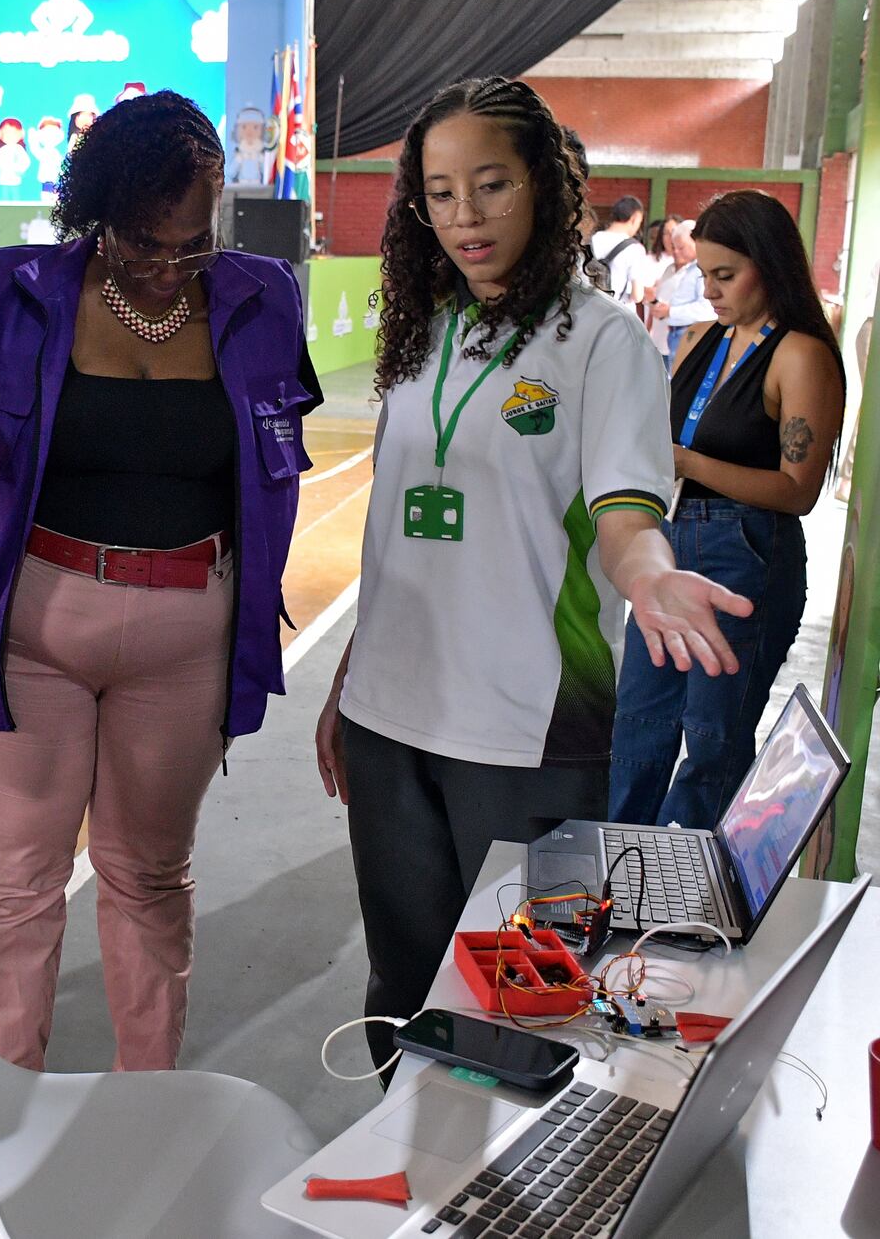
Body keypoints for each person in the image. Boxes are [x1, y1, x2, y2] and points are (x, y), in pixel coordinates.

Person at [311, 77, 750, 1075]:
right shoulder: (419, 331)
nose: (464, 215)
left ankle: (498, 1220)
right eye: (440, 191)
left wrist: (645, 573)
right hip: (389, 724)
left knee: (517, 1002)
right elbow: (393, 541)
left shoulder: (602, 343)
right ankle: (399, 1195)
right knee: (399, 985)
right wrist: (347, 682)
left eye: (490, 184)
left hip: (528, 733)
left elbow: (624, 509)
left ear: (545, 188)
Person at [0, 90, 319, 1072]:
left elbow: (274, 462)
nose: (171, 264)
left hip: (186, 631)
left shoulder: (263, 298)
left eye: (192, 242)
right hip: (25, 626)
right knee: (12, 879)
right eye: (144, 242)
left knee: (147, 873)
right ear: (98, 211)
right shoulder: (13, 292)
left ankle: (149, 1098)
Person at [609, 190, 846, 830]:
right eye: (705, 274)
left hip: (744, 551)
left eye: (724, 275)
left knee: (713, 737)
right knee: (639, 721)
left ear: (769, 265)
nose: (710, 290)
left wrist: (687, 463)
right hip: (671, 539)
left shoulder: (800, 353)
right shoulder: (703, 339)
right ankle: (618, 869)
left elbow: (798, 490)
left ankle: (688, 900)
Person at [650, 218, 715, 368]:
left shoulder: (702, 270)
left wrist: (671, 312)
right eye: (674, 247)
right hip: (671, 334)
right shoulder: (679, 268)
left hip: (691, 333)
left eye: (681, 247)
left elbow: (707, 309)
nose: (676, 252)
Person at [590, 195, 646, 309]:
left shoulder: (591, 239)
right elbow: (637, 295)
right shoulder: (634, 248)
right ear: (635, 218)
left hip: (592, 308)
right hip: (618, 311)